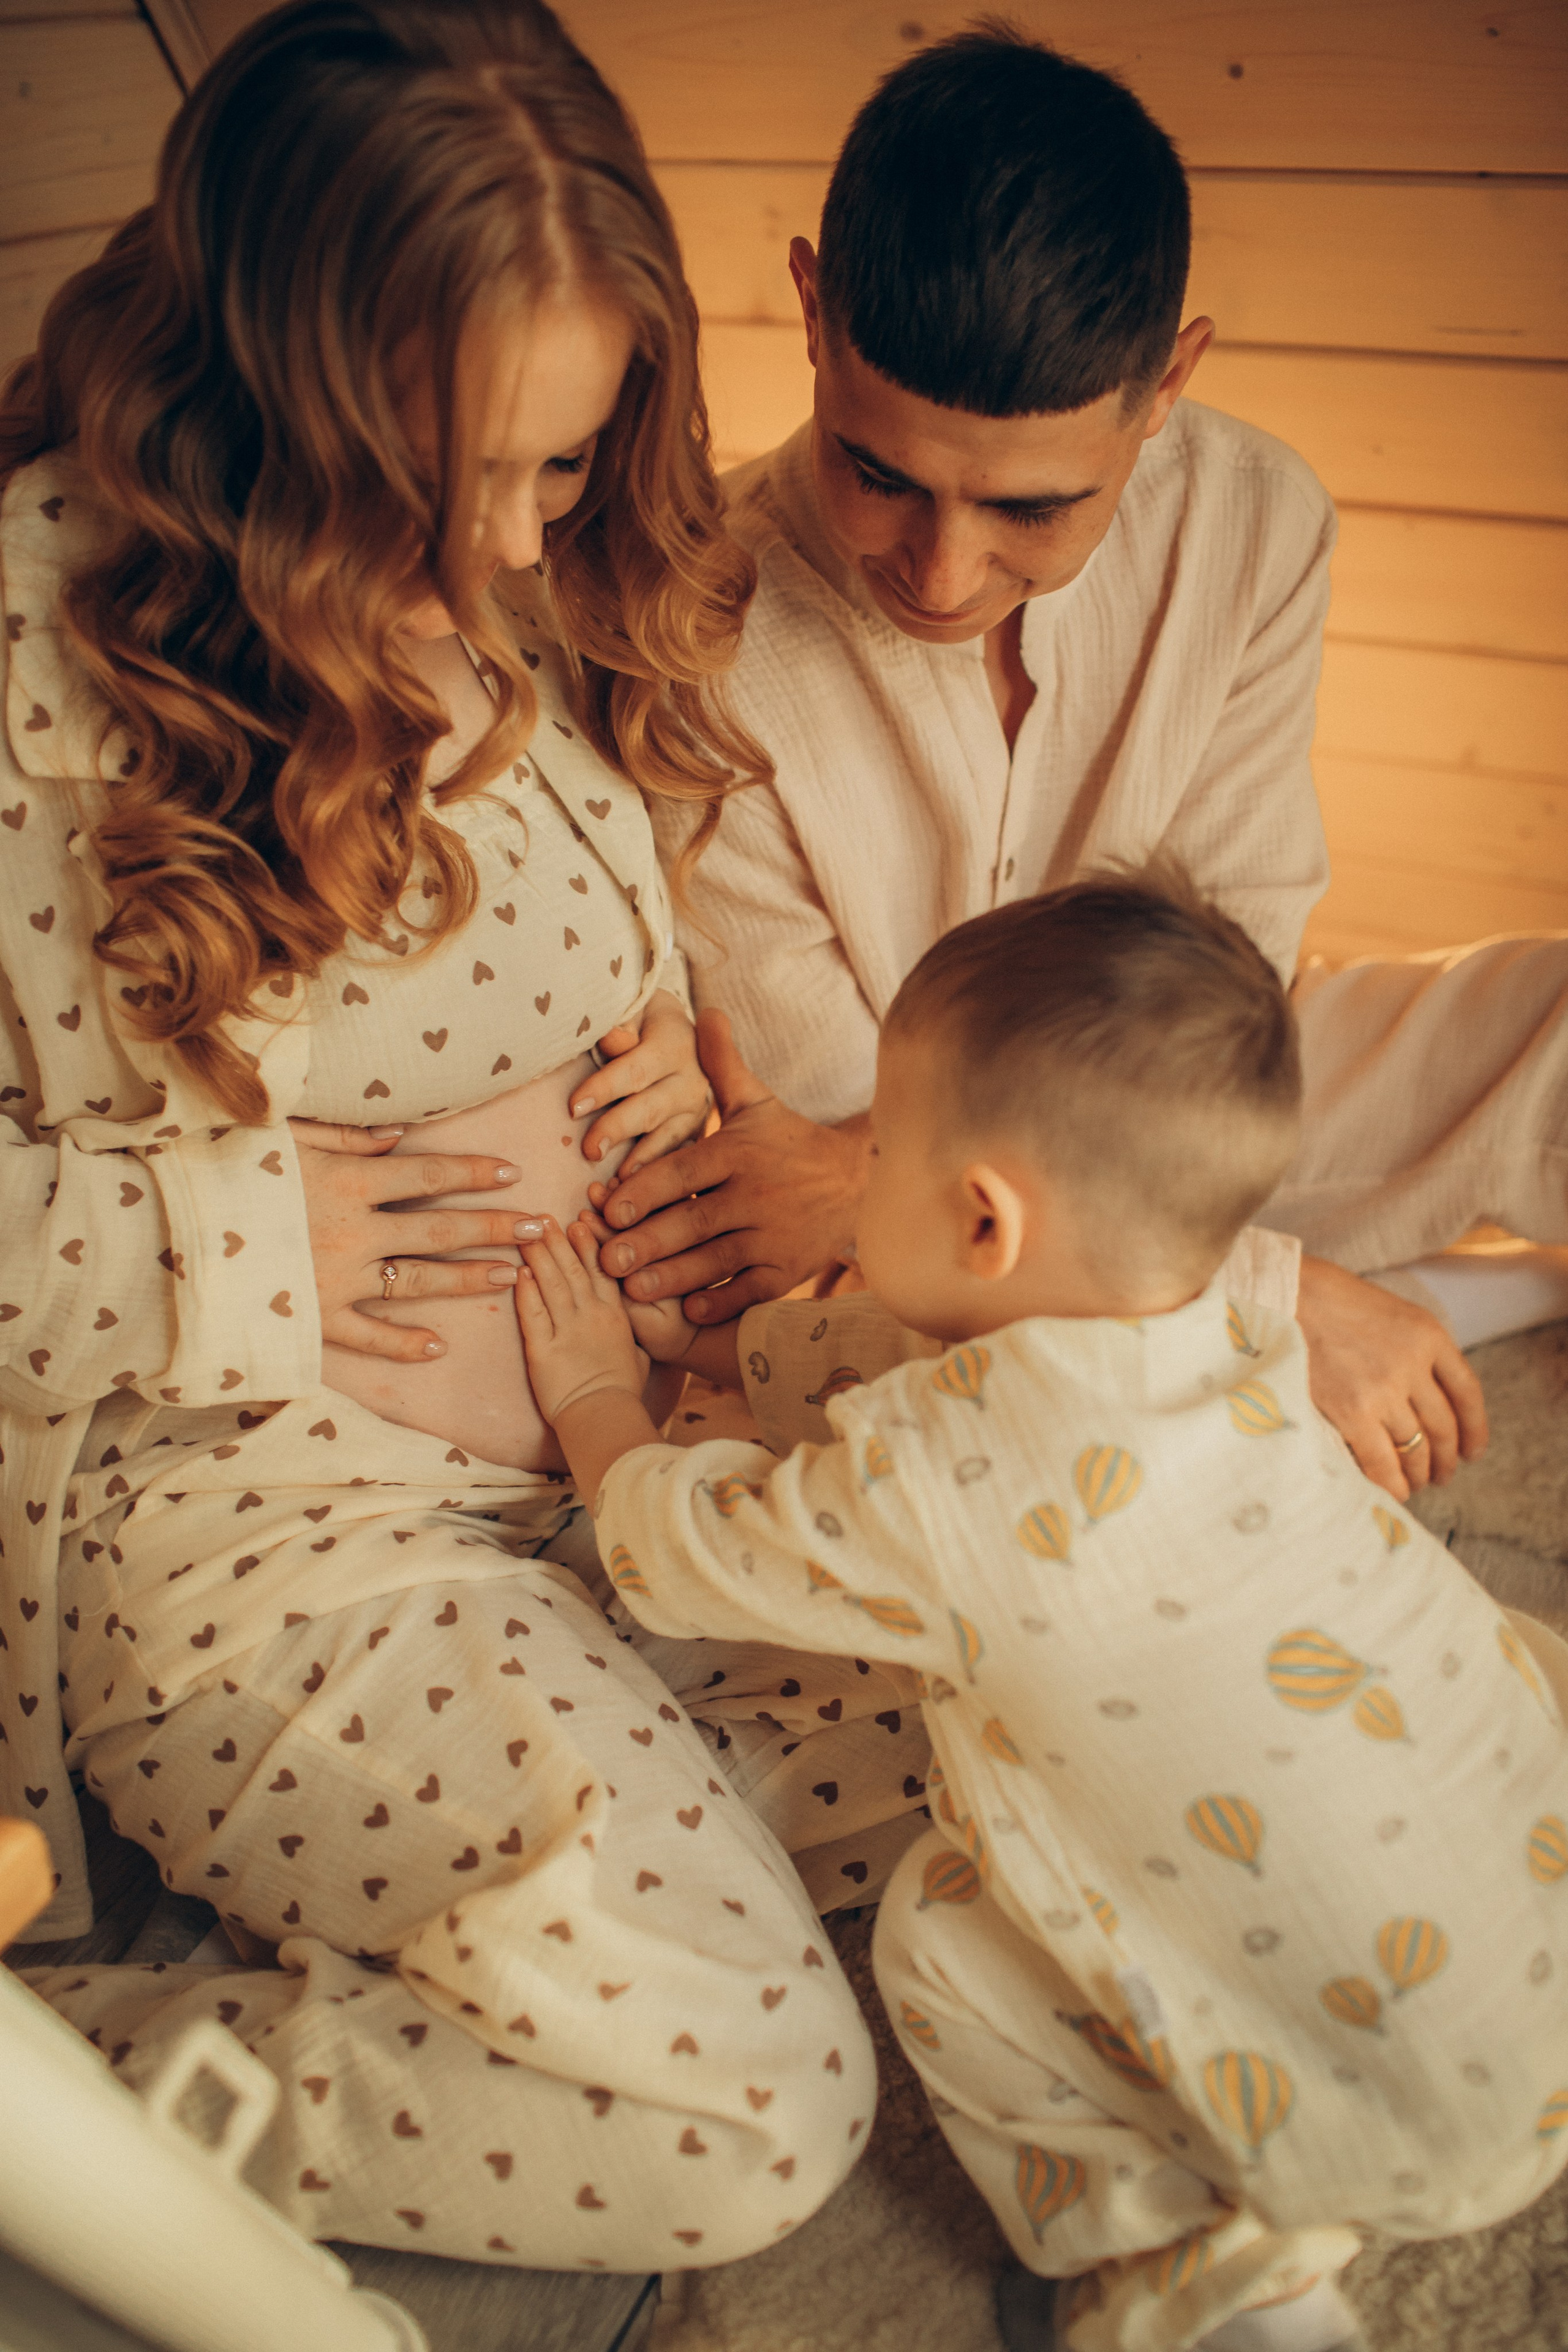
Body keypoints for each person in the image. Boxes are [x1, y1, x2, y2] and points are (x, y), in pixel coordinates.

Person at [4, 0, 878, 2272]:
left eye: (558, 467)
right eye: (443, 470)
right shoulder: (32, 635)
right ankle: (70, 2108)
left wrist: (678, 1079)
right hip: (266, 1539)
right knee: (749, 2103)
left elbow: (567, 933)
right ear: (258, 386)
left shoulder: (538, 578)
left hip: (623, 1456)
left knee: (1081, 1730)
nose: (499, 546)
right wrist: (240, 1222)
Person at [511, 870, 1568, 2352]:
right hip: (1534, 1968)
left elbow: (679, 1548)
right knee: (1476, 1654)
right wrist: (731, 1347)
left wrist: (596, 1401)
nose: (854, 1178)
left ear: (984, 1221)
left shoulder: (933, 1490)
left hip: (1387, 2113)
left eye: (873, 1150)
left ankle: (1196, 2267)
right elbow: (891, 1341)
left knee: (940, 1929)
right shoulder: (1233, 1332)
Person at [588, 25, 1568, 1507]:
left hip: (1126, 1107)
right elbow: (866, 1149)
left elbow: (1219, 984)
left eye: (1033, 510)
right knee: (948, 1355)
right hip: (920, 1234)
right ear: (809, 305)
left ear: (1164, 385)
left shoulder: (1255, 520)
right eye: (879, 476)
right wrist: (1276, 1299)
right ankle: (1373, 1325)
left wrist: (1256, 1270)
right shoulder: (686, 617)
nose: (939, 570)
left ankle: (1365, 1311)